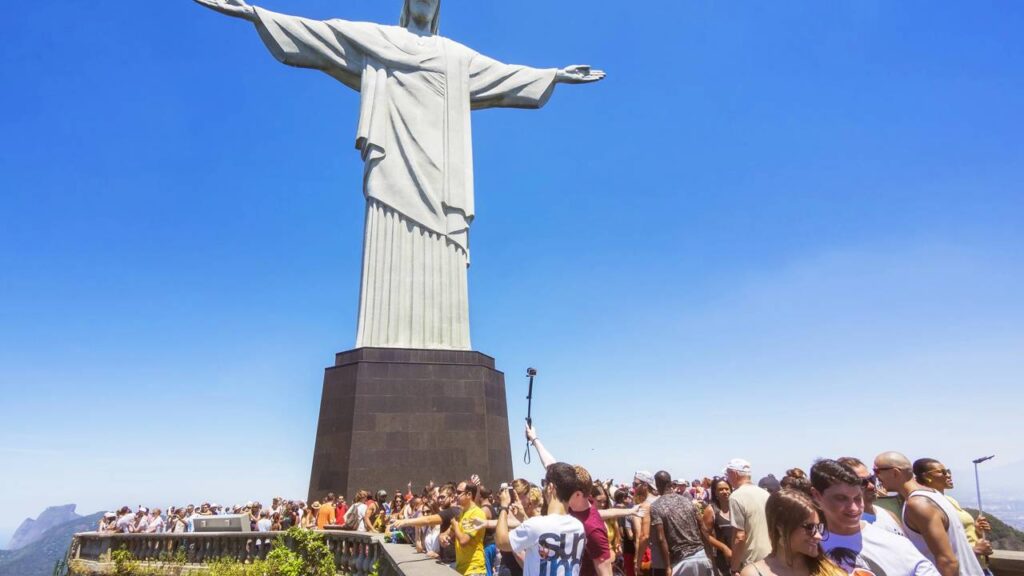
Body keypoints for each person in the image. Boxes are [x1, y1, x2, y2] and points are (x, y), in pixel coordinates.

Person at [193, 0, 605, 350]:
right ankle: (380, 337)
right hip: (394, 162)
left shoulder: (454, 56)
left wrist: (555, 75)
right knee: (389, 241)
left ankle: (447, 343)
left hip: (443, 172)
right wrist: (251, 12)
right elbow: (319, 34)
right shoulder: (378, 39)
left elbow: (505, 74)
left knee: (444, 251)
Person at [810, 459, 938, 576]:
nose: (853, 508)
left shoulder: (895, 544)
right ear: (816, 495)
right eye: (841, 498)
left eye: (857, 498)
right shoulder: (808, 547)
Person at [874, 452, 984, 576]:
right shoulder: (933, 494)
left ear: (895, 472)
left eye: (877, 471)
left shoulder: (917, 503)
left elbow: (947, 560)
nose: (876, 477)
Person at [496, 462, 587, 576]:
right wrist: (523, 517)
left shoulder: (536, 525)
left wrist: (504, 506)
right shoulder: (578, 527)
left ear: (550, 487)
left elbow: (501, 542)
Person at [739, 490, 845, 576]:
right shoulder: (753, 573)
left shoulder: (829, 569)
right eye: (810, 527)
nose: (818, 536)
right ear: (780, 528)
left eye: (819, 527)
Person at [913, 459, 993, 570]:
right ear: (926, 476)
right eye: (942, 472)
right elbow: (933, 546)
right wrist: (975, 550)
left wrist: (977, 530)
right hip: (963, 569)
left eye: (948, 471)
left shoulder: (949, 500)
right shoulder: (927, 506)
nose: (949, 475)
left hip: (978, 567)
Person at [649, 470, 713, 576]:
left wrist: (668, 567)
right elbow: (703, 527)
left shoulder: (656, 506)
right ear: (670, 483)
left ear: (656, 484)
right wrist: (709, 555)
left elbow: (661, 538)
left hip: (681, 561)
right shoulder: (687, 501)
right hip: (701, 555)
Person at [836, 457, 904, 537]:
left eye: (872, 479)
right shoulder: (850, 526)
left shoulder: (889, 515)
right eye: (862, 482)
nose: (871, 486)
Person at [724, 458, 771, 572]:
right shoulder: (765, 494)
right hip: (770, 559)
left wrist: (734, 568)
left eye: (728, 474)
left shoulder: (736, 497)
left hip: (751, 563)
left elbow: (739, 536)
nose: (727, 478)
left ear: (734, 474)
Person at [451, 481, 487, 576]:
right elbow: (449, 533)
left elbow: (463, 540)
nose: (455, 495)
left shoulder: (477, 513)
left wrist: (455, 526)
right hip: (462, 569)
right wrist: (443, 536)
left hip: (474, 569)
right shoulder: (462, 513)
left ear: (469, 494)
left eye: (459, 492)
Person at [703, 478, 734, 576]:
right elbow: (704, 534)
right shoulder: (711, 510)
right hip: (721, 558)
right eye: (720, 489)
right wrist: (724, 548)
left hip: (738, 554)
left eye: (727, 489)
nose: (725, 492)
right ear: (715, 493)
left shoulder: (736, 507)